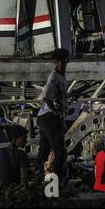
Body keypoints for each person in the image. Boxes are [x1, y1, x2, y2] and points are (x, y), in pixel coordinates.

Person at [37, 48, 69, 181]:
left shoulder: (61, 77)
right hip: (49, 117)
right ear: (55, 62)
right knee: (59, 151)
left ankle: (40, 179)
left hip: (46, 117)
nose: (61, 64)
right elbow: (46, 97)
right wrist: (56, 113)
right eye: (58, 61)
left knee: (45, 151)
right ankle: (56, 182)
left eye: (63, 61)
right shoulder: (54, 76)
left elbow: (57, 96)